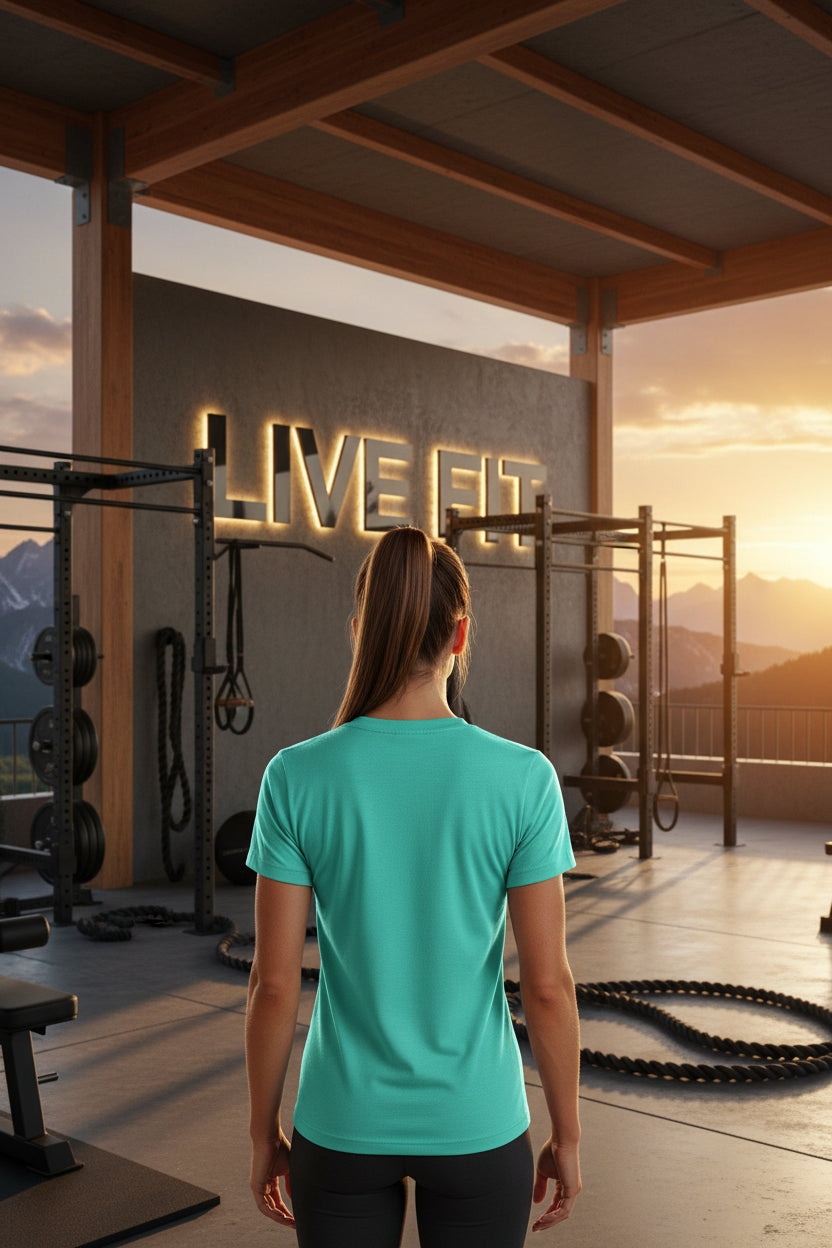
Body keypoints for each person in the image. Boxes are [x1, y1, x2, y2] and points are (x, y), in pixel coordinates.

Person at [245, 525, 581, 1246]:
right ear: (460, 635)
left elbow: (273, 986)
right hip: (477, 1124)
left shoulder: (295, 776)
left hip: (341, 1126)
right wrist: (569, 1135)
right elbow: (548, 986)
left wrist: (262, 1132)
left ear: (361, 633)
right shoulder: (525, 779)